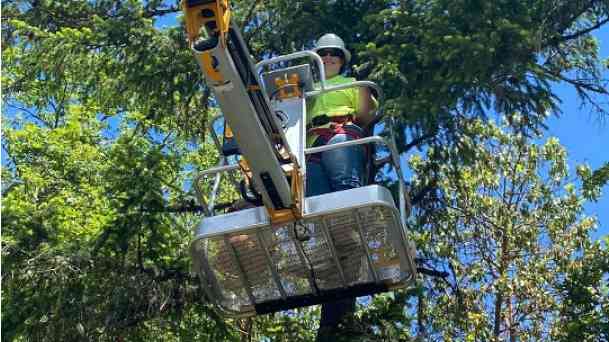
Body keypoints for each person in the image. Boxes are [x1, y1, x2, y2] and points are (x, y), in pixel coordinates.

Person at [306, 33, 377, 340]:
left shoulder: (349, 85)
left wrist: (361, 88)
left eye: (335, 53)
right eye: (323, 53)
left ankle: (350, 237)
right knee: (315, 205)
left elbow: (366, 114)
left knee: (344, 190)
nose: (329, 57)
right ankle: (328, 252)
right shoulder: (304, 91)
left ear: (343, 59)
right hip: (310, 147)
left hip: (339, 135)